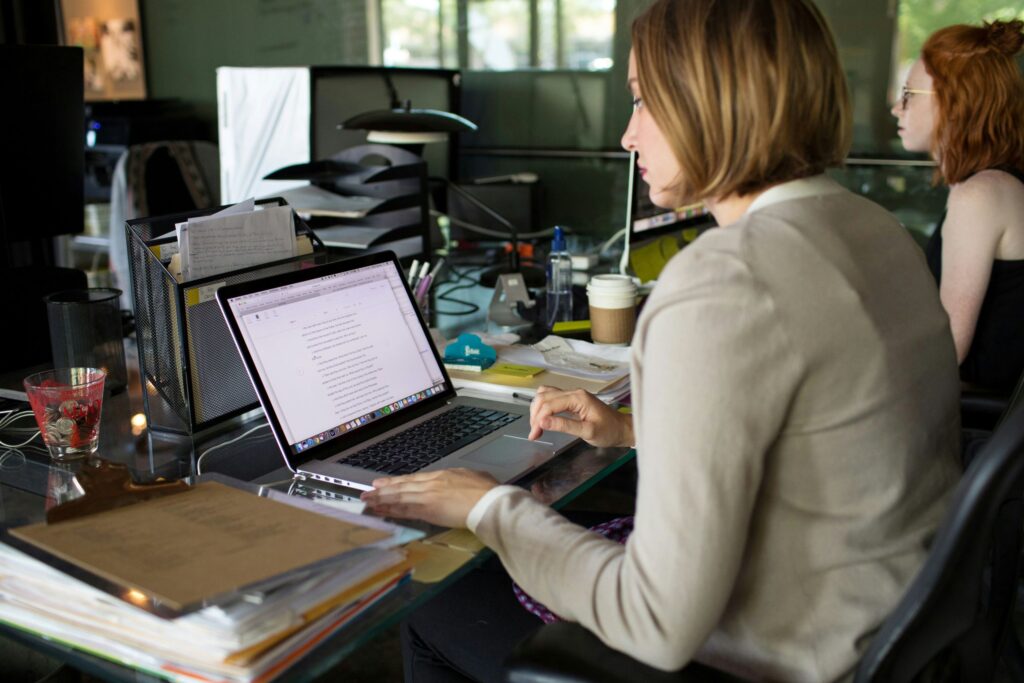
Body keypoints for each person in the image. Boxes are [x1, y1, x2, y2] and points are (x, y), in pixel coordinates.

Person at [362, 0, 962, 680]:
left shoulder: (723, 279)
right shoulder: (875, 229)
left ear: (711, 103)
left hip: (779, 655)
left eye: (644, 101)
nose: (628, 135)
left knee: (429, 594)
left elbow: (654, 621)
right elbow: (820, 434)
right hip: (890, 631)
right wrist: (629, 430)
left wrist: (486, 505)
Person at [892, 20, 1024, 394]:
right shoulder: (998, 185)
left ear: (952, 99)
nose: (895, 108)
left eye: (908, 93)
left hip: (974, 423)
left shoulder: (979, 196)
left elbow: (947, 350)